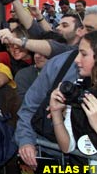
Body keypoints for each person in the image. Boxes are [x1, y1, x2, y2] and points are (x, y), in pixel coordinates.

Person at [14, 5, 97, 169]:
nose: (82, 33)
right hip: (59, 161)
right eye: (83, 28)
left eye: (90, 29)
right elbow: (30, 107)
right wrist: (26, 140)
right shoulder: (60, 64)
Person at [49, 31, 97, 166]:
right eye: (77, 53)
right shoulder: (80, 91)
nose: (76, 60)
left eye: (84, 54)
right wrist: (56, 112)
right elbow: (67, 147)